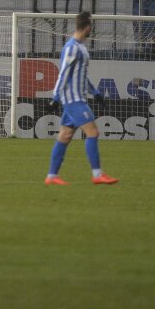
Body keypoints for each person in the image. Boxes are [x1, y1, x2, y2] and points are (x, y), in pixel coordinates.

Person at [46, 11, 118, 186]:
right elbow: (63, 73)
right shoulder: (72, 47)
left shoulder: (81, 48)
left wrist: (96, 93)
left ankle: (52, 176)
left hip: (78, 98)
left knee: (65, 135)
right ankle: (97, 174)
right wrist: (55, 98)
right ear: (87, 28)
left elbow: (81, 76)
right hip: (73, 100)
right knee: (93, 132)